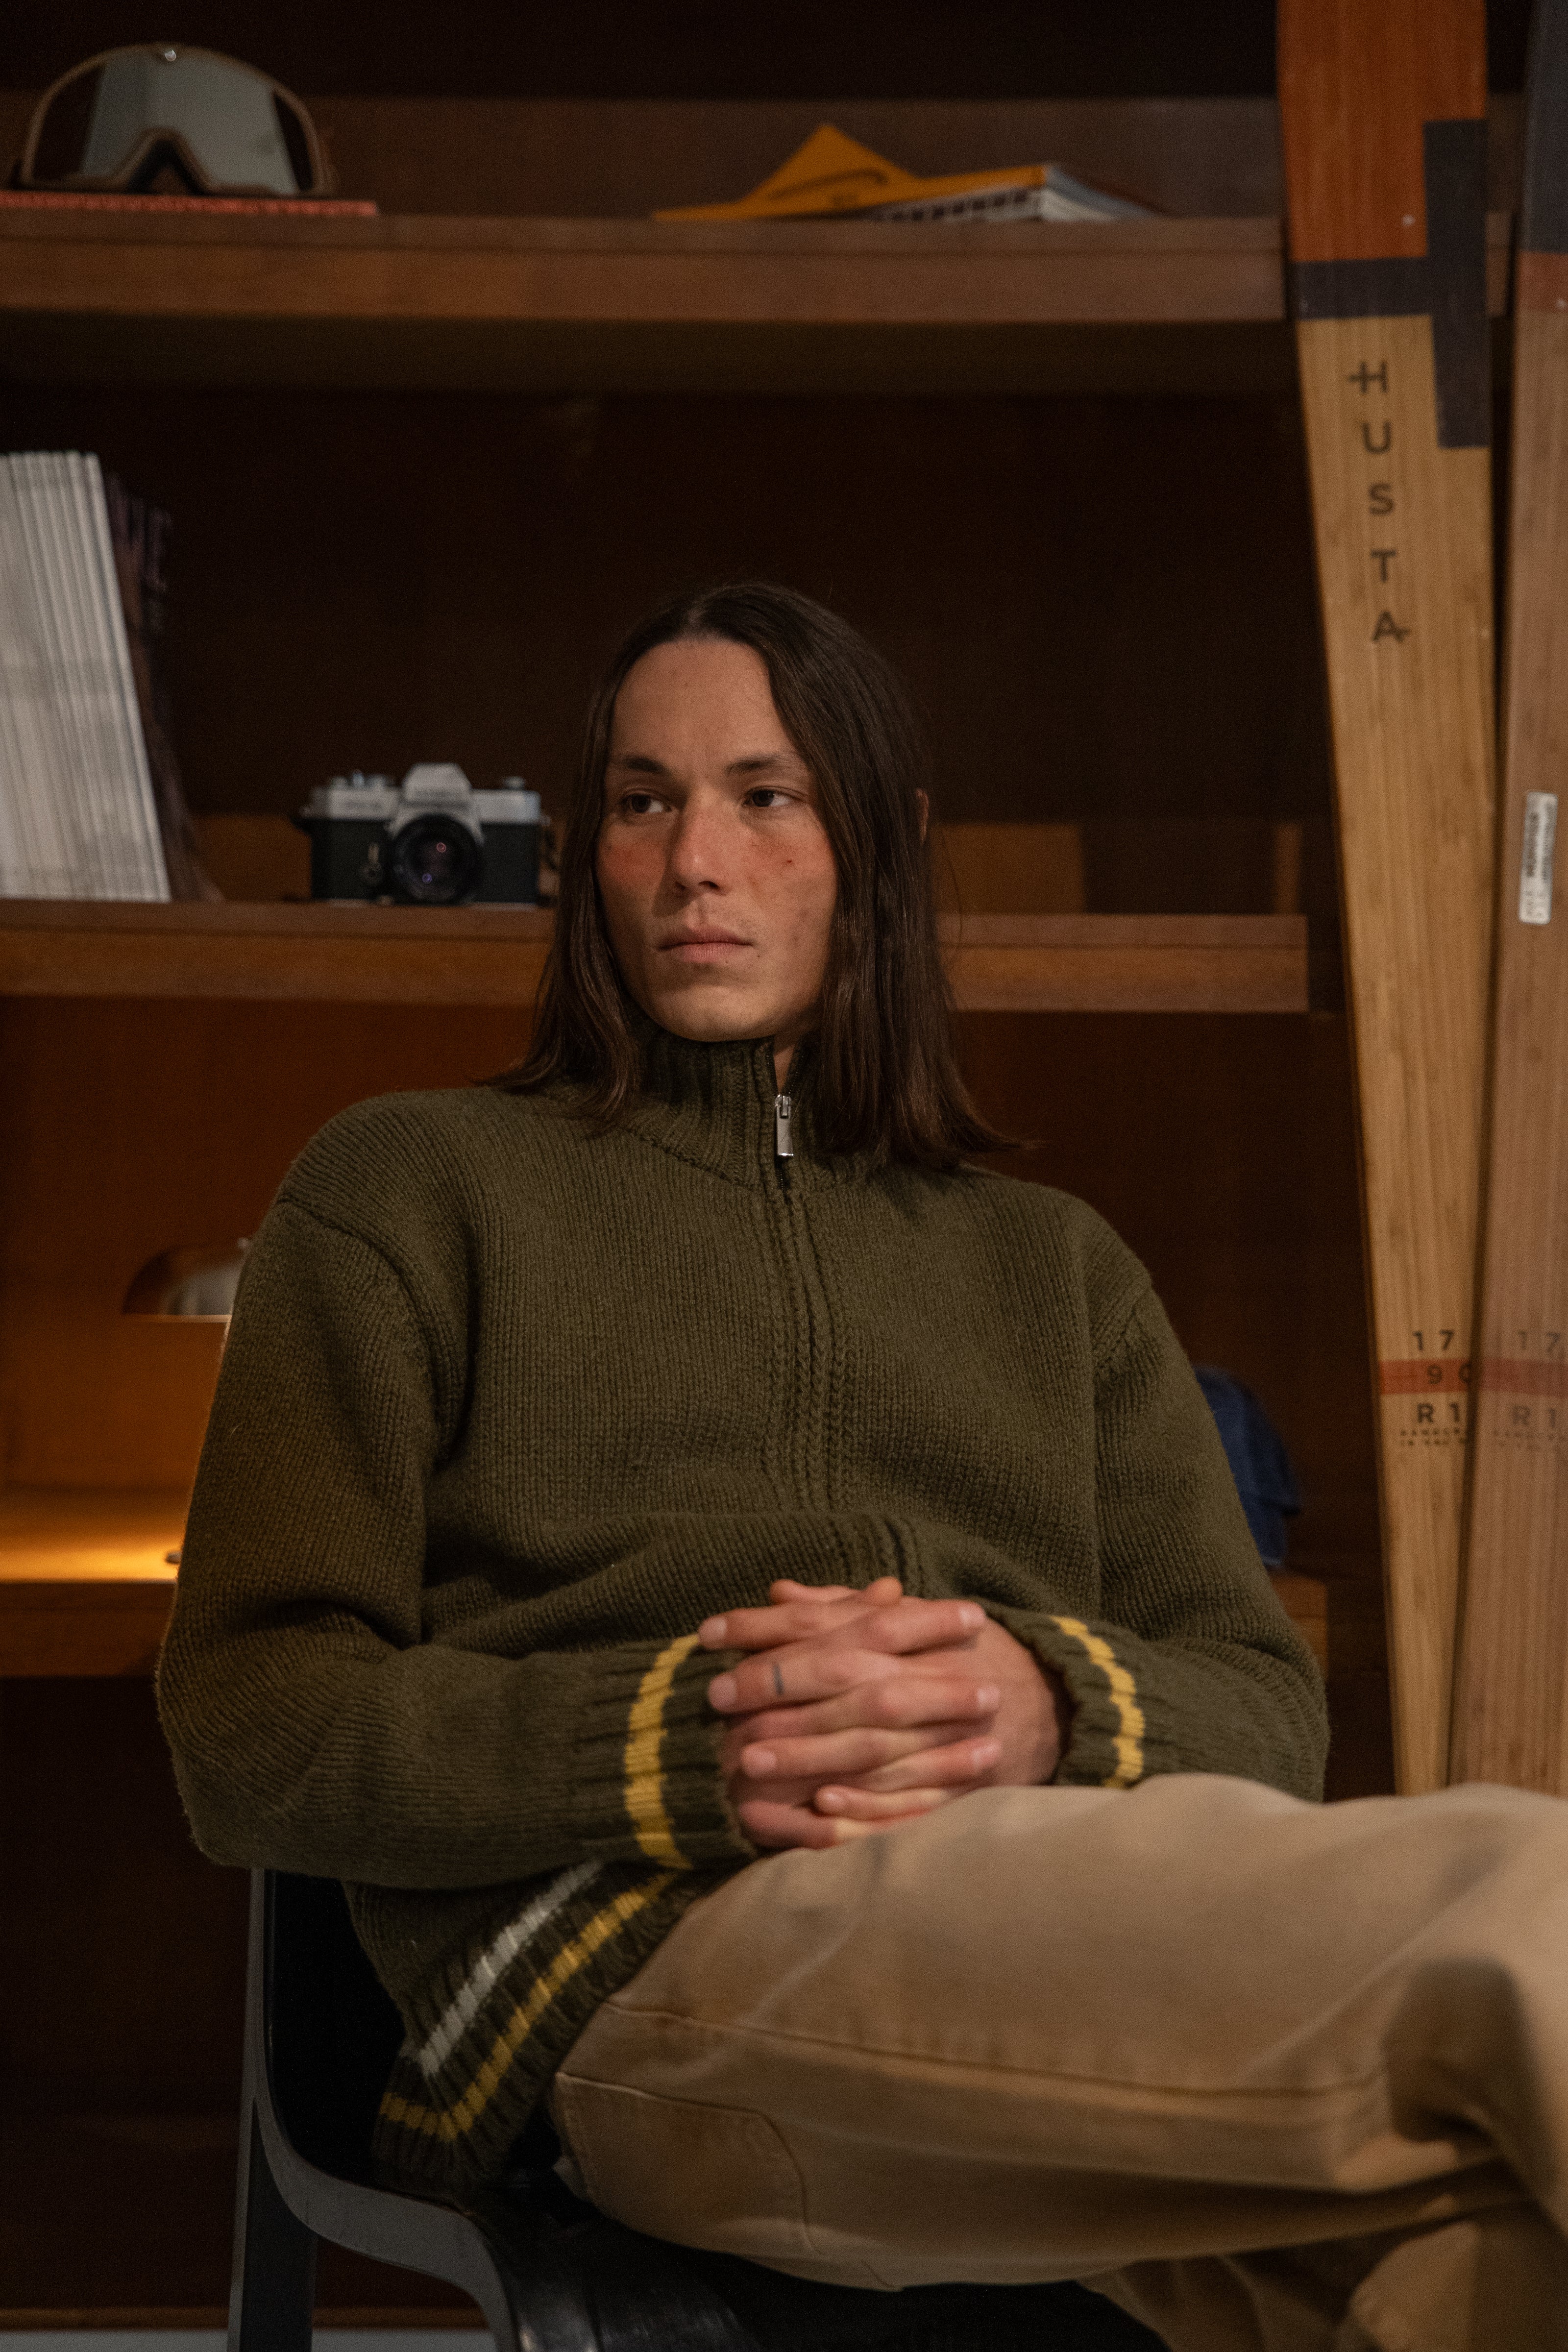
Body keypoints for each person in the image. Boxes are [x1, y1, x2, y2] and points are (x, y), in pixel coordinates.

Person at [158, 584, 1568, 2352]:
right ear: (588, 856)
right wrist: (694, 1742)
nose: (696, 863)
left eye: (767, 796)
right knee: (1529, 1914)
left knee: (1478, 2264)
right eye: (645, 800)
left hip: (1045, 1928)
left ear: (877, 854)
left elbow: (1266, 1707)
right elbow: (253, 1724)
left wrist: (1050, 1703)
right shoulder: (408, 1192)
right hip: (643, 1979)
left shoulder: (1056, 1267)